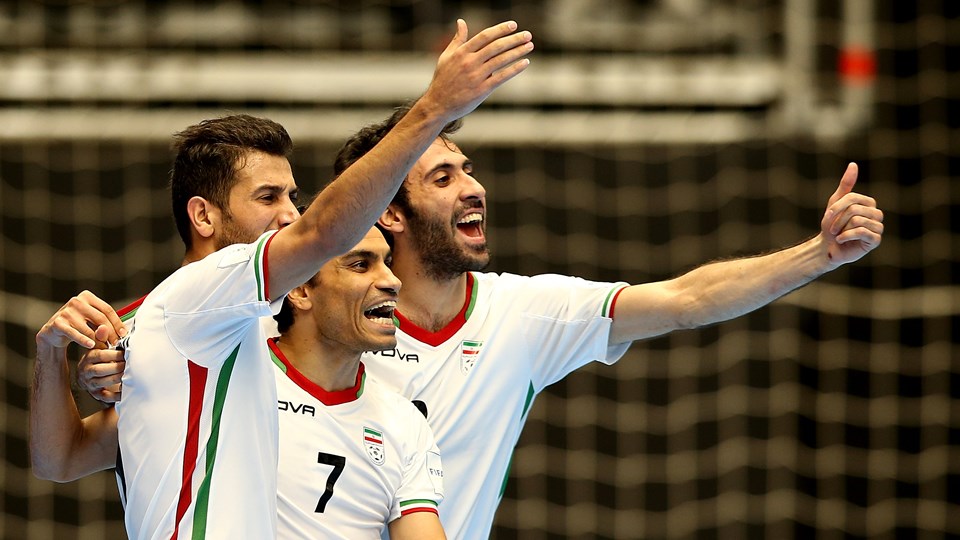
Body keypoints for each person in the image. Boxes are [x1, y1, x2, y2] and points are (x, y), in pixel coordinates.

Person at [77, 104, 884, 540]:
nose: (474, 187)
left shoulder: (521, 315)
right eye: (443, 175)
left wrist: (815, 255)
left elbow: (685, 299)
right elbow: (167, 359)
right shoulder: (294, 317)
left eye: (469, 169)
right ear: (387, 212)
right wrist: (103, 359)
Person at [30, 19, 533, 539]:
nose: (290, 215)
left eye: (293, 197)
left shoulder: (233, 330)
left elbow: (59, 460)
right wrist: (433, 110)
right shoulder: (200, 295)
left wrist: (56, 355)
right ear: (203, 217)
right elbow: (321, 233)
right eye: (268, 198)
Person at [34, 226, 447, 539]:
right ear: (300, 290)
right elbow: (61, 459)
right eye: (361, 264)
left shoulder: (404, 422)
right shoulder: (216, 374)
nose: (391, 280)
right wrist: (57, 351)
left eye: (387, 262)